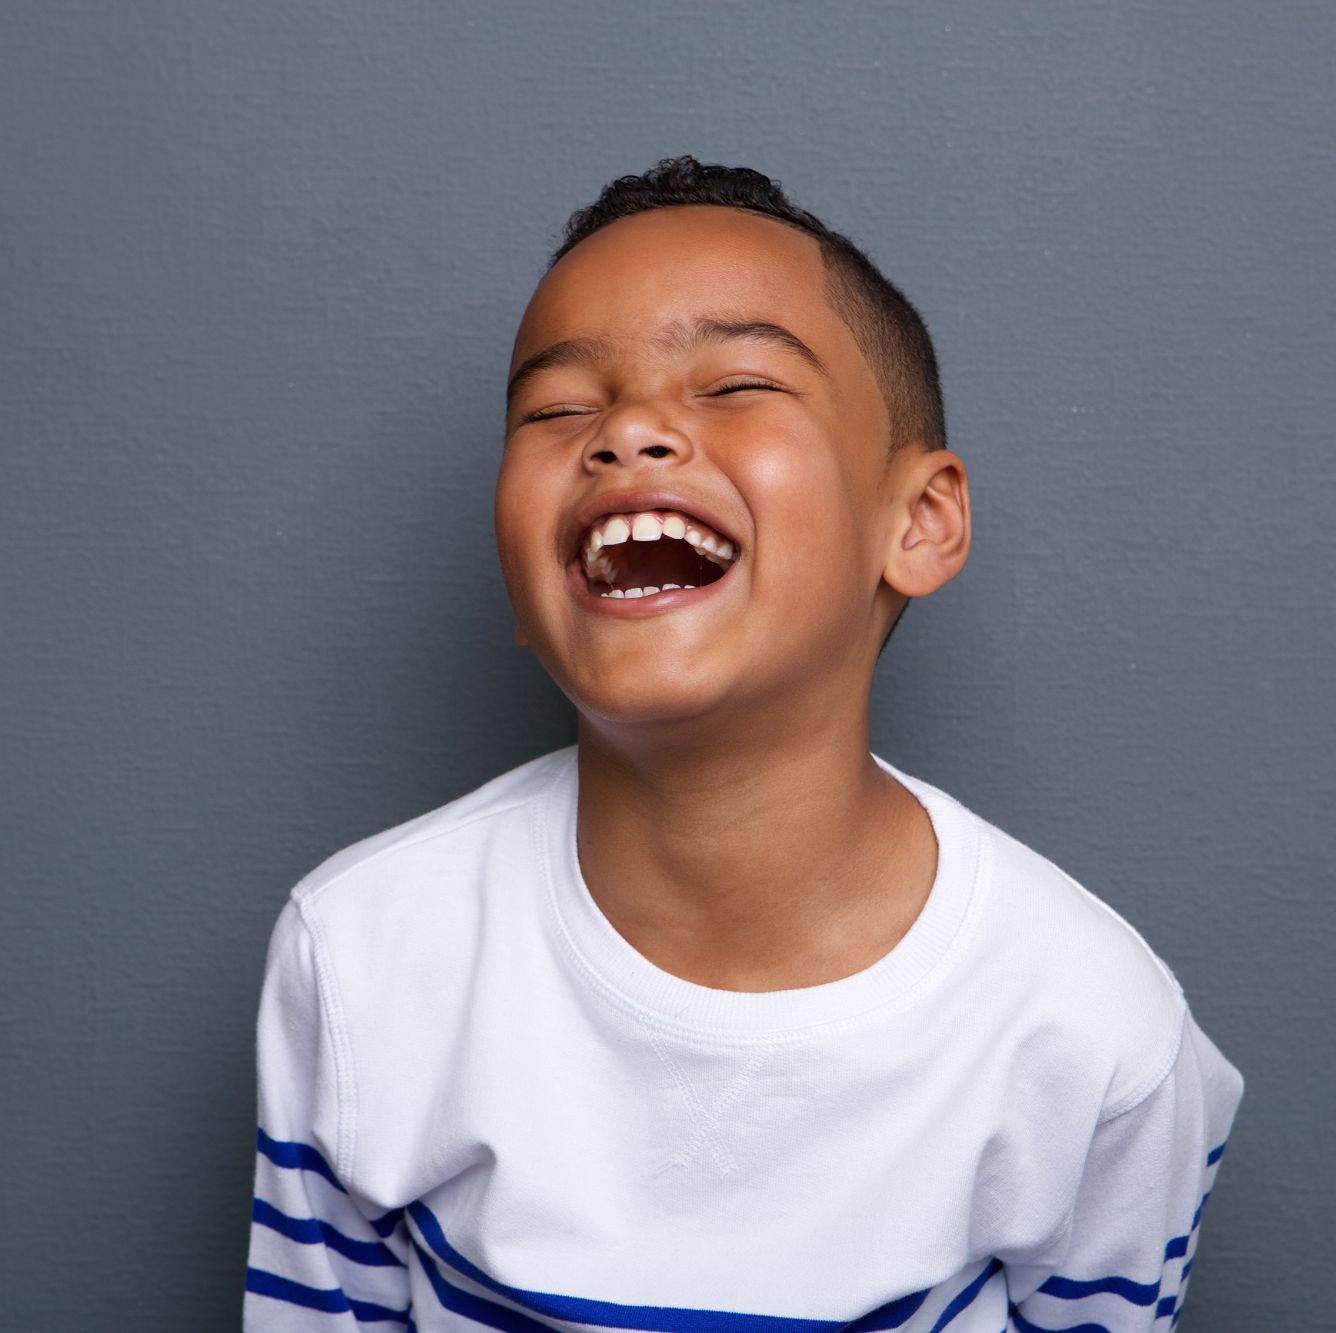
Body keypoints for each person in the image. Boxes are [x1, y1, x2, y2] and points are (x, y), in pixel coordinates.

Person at [243, 156, 1244, 1332]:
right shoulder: (359, 957)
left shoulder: (1091, 1030)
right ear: (517, 577)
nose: (627, 432)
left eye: (736, 382)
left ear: (918, 523)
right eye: (558, 408)